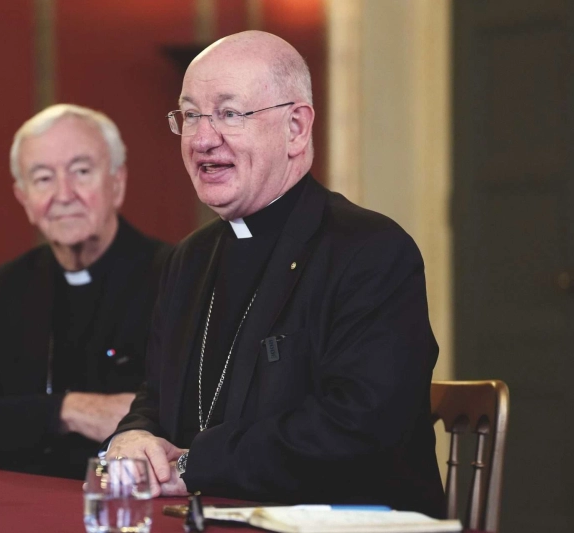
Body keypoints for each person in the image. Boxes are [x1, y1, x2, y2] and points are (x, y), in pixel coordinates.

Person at [106, 31, 445, 516]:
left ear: (296, 128)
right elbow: (157, 396)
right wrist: (135, 434)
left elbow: (359, 428)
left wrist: (193, 465)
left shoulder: (370, 251)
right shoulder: (189, 259)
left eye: (229, 114)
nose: (202, 139)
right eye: (191, 115)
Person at [0, 104, 171, 479]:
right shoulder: (1, 289)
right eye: (43, 178)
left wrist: (12, 416)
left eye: (81, 172)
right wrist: (70, 410)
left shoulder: (173, 275)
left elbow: (177, 422)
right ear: (23, 198)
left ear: (117, 183)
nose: (64, 194)